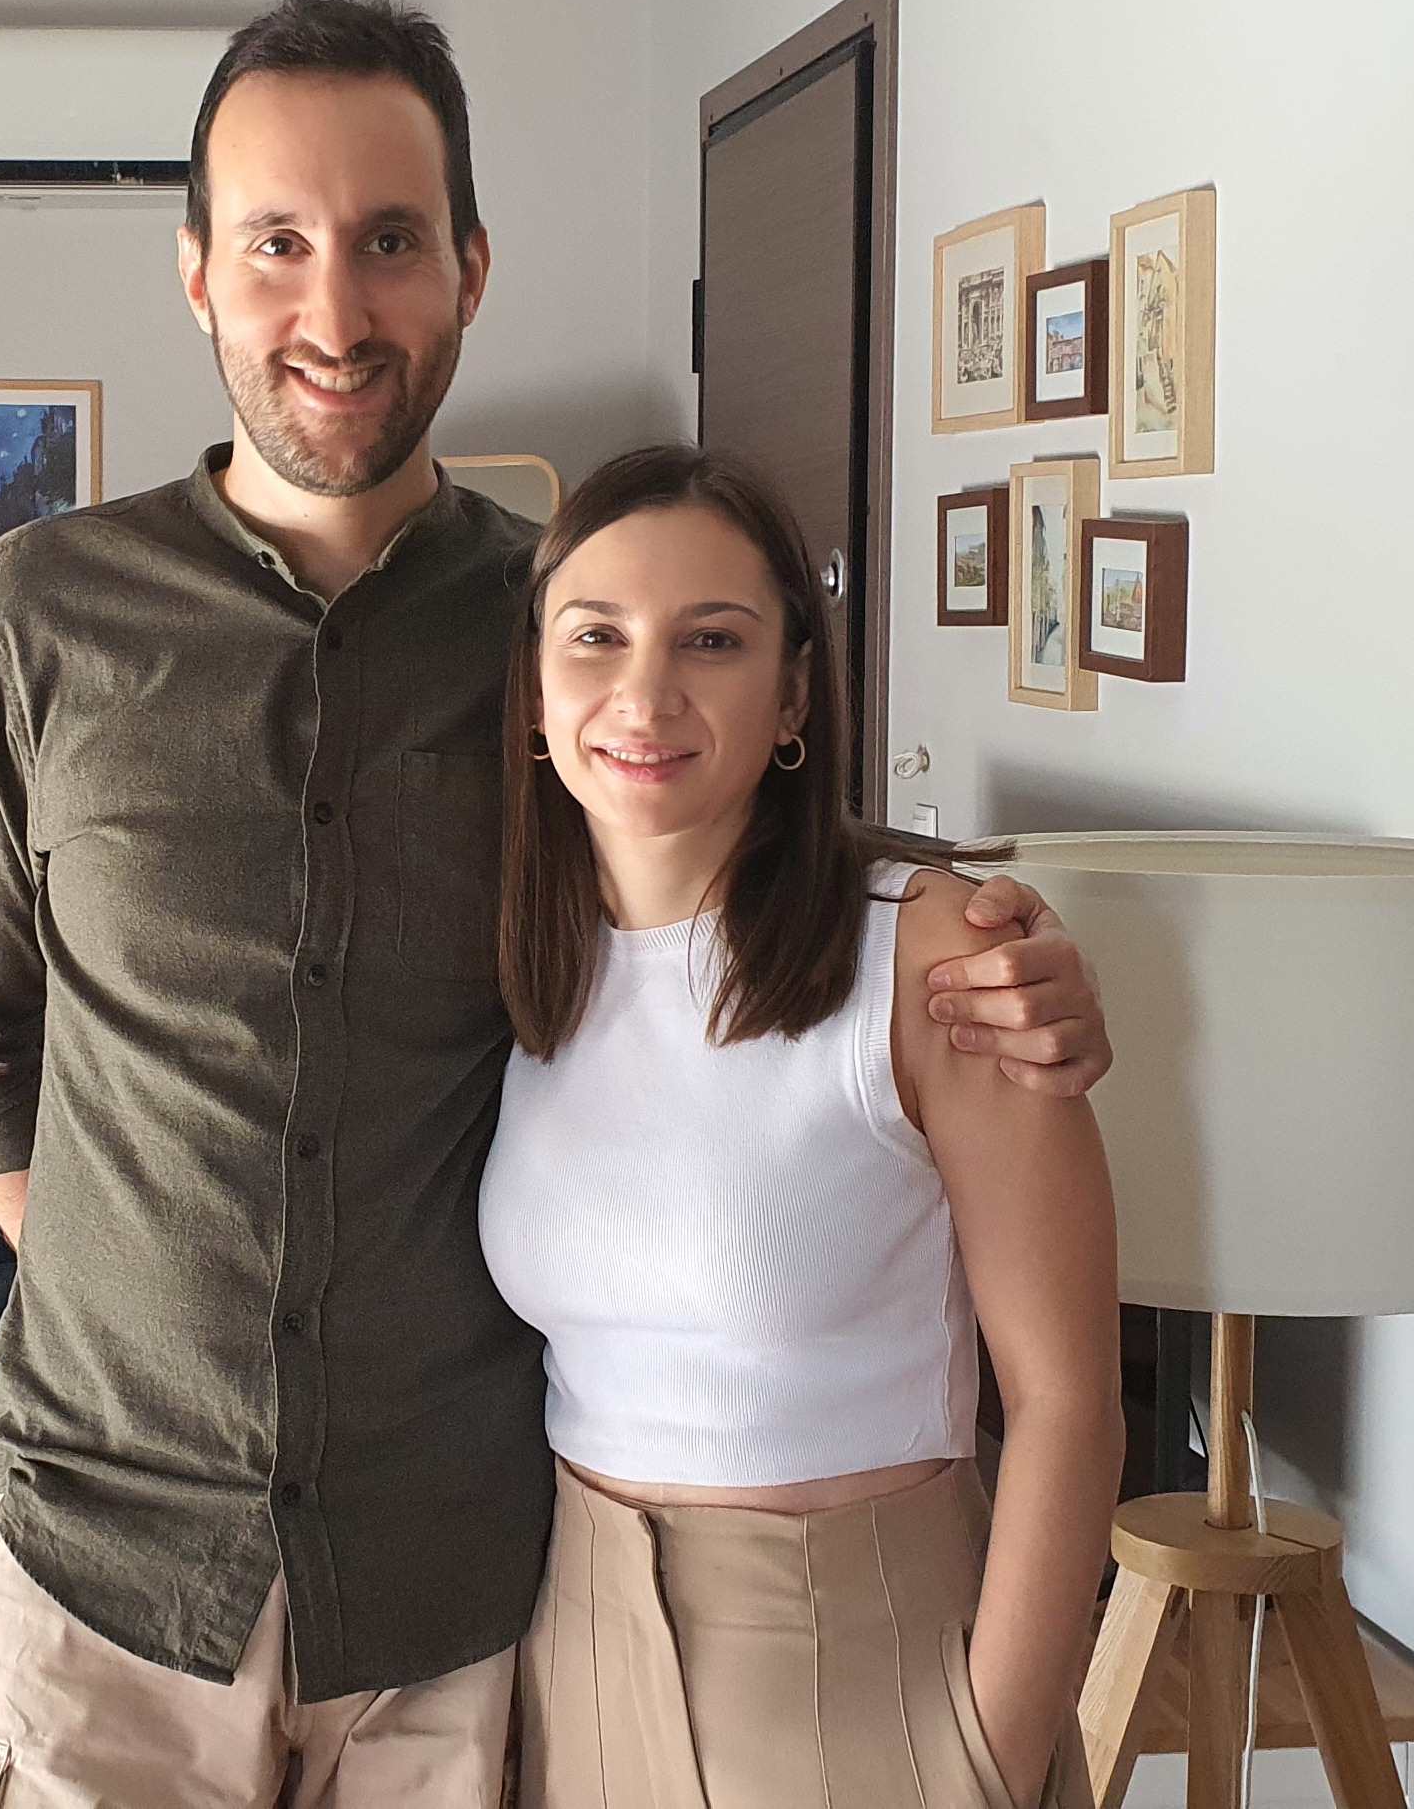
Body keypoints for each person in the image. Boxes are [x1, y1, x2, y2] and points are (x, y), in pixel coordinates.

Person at [0, 0, 1111, 1807]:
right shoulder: (32, 617)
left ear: (468, 268)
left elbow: (739, 850)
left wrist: (997, 946)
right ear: (197, 273)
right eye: (277, 244)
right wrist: (170, 1320)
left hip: (450, 1600)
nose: (334, 309)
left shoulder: (560, 630)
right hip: (98, 1585)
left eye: (390, 242)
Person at [480, 445, 1121, 1809]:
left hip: (863, 1681)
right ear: (536, 694)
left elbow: (1071, 1405)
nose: (644, 693)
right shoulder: (522, 962)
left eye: (713, 639)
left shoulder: (936, 955)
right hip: (574, 1662)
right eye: (596, 637)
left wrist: (987, 1760)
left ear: (792, 698)